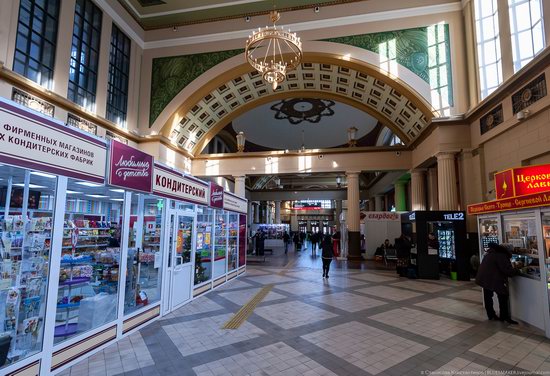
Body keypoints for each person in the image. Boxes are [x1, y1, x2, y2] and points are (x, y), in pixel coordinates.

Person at [476, 242, 518, 324]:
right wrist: (517, 271)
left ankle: (491, 315)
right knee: (503, 296)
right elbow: (507, 270)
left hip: (484, 277)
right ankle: (504, 317)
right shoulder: (501, 255)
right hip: (493, 278)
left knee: (488, 297)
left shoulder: (491, 252)